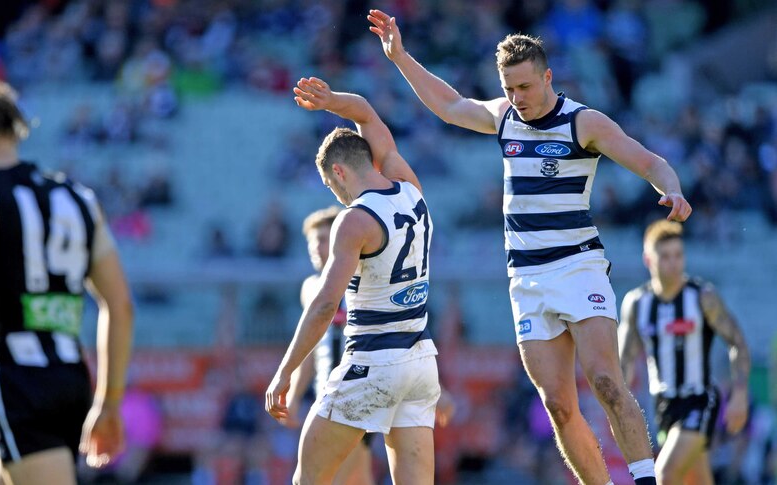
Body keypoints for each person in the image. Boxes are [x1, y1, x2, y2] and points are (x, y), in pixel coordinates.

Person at [368, 10, 693, 485]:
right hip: (527, 278)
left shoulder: (584, 122)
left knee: (605, 382)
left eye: (524, 87)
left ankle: (645, 479)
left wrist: (673, 188)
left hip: (579, 266)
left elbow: (650, 161)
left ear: (547, 76)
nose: (515, 98)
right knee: (559, 406)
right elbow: (450, 106)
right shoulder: (504, 118)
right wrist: (399, 57)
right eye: (507, 88)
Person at [0, 77, 134, 485]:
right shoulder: (78, 197)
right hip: (72, 380)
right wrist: (109, 401)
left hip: (18, 379)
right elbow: (119, 306)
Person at [265, 77, 439, 485]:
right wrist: (333, 102)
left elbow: (326, 304)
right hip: (419, 361)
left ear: (339, 172)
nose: (335, 193)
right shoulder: (411, 188)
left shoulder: (354, 219)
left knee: (308, 480)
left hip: (372, 363)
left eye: (330, 184)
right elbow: (367, 113)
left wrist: (285, 370)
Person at [619, 220, 750, 485]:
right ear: (648, 259)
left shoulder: (703, 297)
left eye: (679, 255)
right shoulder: (636, 303)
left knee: (665, 475)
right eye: (665, 256)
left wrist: (739, 393)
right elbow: (625, 360)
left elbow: (737, 342)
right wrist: (617, 407)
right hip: (663, 406)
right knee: (697, 480)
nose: (674, 263)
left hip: (699, 400)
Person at [284, 205, 376, 485]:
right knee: (356, 477)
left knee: (323, 477)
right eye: (313, 240)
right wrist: (295, 394)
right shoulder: (311, 286)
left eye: (324, 238)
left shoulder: (363, 281)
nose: (316, 246)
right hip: (328, 394)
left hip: (358, 391)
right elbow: (310, 348)